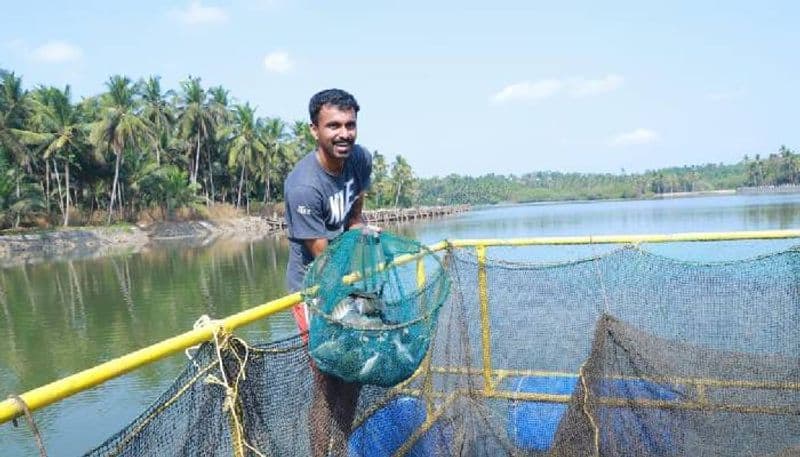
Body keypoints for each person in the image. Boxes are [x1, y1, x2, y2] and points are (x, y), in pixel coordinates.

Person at [283, 88, 372, 457]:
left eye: (350, 124)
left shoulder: (361, 159)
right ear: (314, 130)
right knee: (326, 382)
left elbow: (356, 208)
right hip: (314, 290)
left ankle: (342, 448)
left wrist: (357, 227)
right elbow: (321, 255)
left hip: (350, 279)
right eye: (333, 125)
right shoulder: (303, 185)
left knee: (353, 375)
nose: (344, 133)